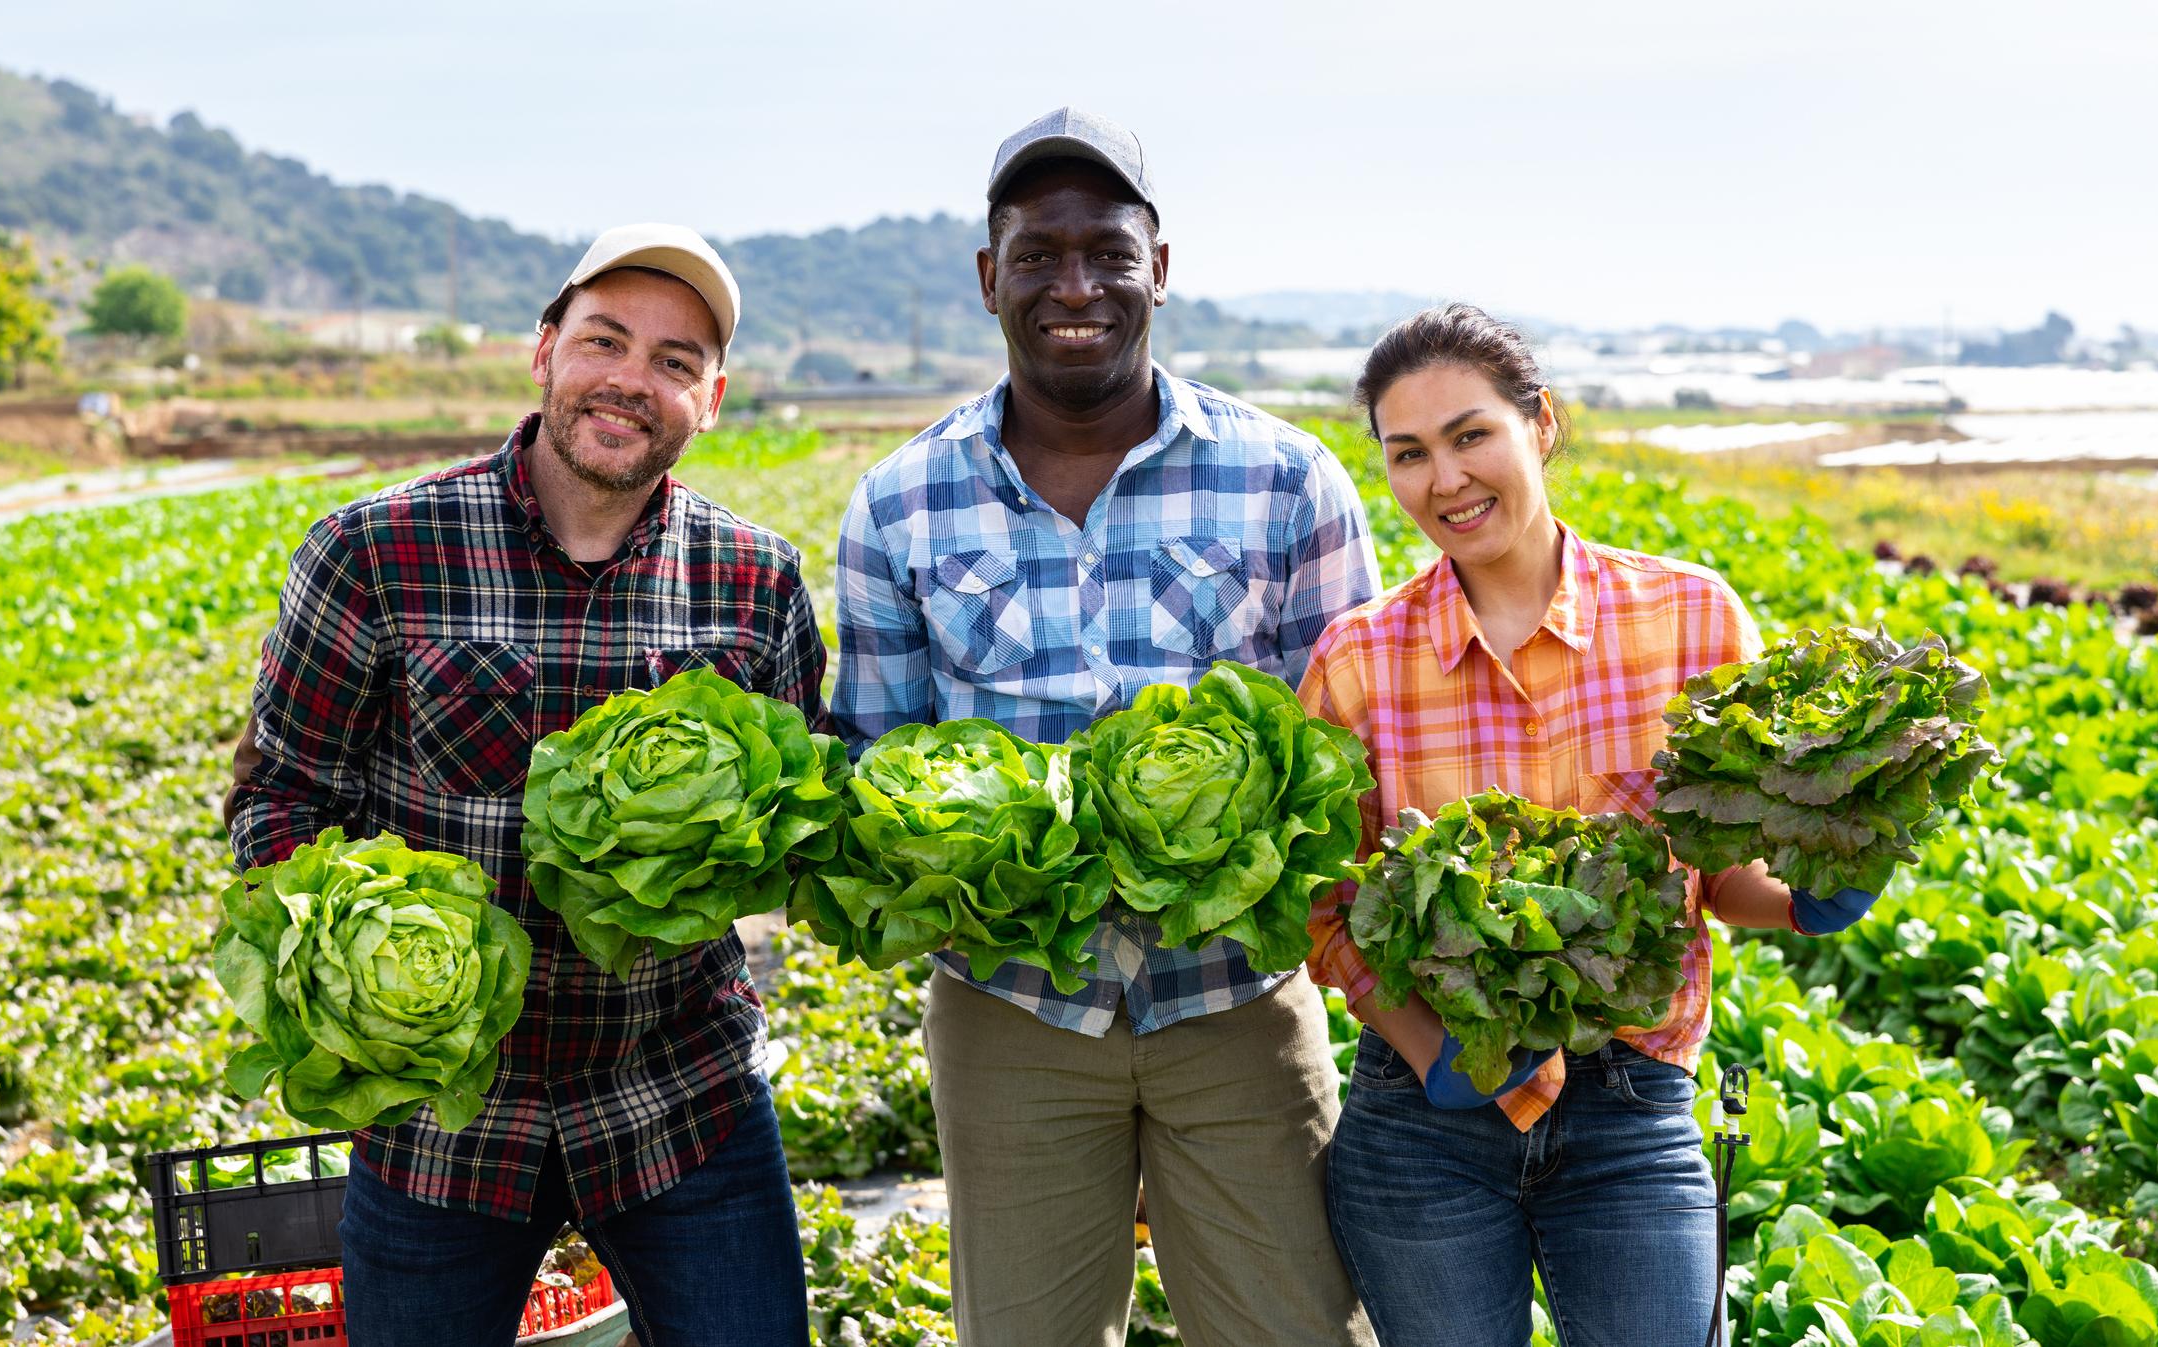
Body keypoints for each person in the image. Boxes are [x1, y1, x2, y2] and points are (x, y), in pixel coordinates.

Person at [832, 107, 1382, 1347]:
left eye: (1106, 253)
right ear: (989, 279)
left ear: (1159, 269)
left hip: (1236, 1000)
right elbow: (870, 763)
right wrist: (955, 865)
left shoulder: (1286, 477)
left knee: (1297, 1329)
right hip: (1012, 1014)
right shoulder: (898, 502)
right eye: (1036, 255)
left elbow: (1354, 756)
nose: (1072, 285)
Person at [227, 224, 818, 1347]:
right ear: (543, 350)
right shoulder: (375, 550)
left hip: (680, 1095)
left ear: (713, 398)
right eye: (605, 340)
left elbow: (791, 823)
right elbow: (281, 796)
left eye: (674, 362)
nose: (631, 380)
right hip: (438, 1124)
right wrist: (341, 982)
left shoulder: (756, 579)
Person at [1298, 303, 1881, 1347]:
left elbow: (1722, 877)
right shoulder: (1357, 660)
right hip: (1422, 1126)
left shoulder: (1690, 618)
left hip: (1630, 1105)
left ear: (1540, 424)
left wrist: (1802, 900)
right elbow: (1324, 907)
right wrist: (1429, 1043)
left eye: (1471, 434)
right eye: (1408, 453)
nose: (1445, 479)